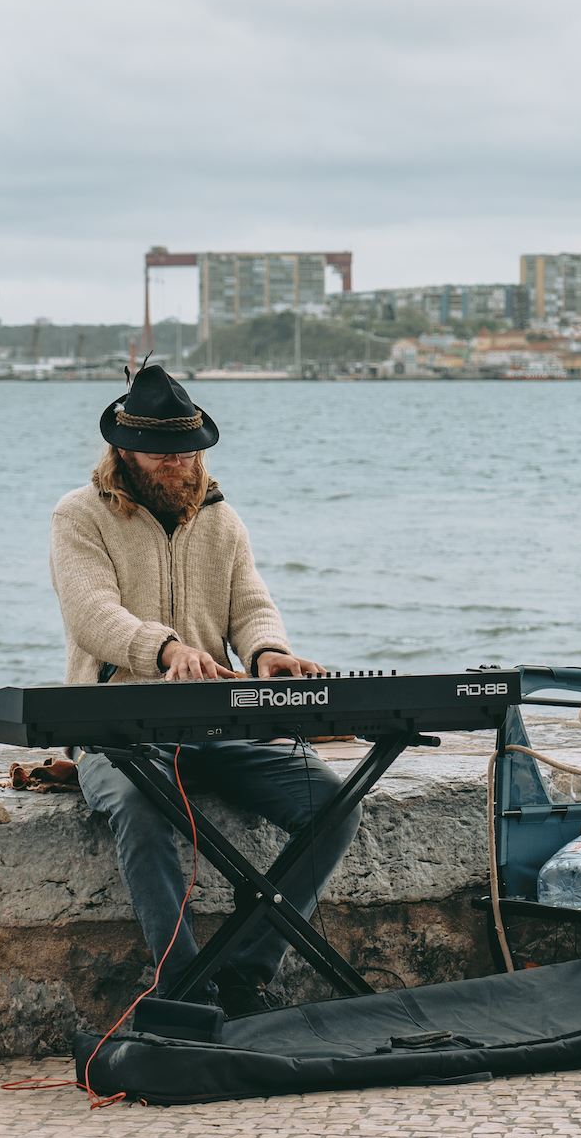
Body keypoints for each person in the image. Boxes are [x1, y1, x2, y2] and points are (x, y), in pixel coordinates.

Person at [48, 365, 358, 1016]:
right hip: (116, 726)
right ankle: (184, 988)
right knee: (138, 802)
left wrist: (268, 651)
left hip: (213, 723)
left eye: (189, 451)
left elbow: (249, 604)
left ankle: (245, 971)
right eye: (163, 453)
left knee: (331, 800)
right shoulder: (79, 515)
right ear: (124, 451)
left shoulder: (222, 519)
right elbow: (91, 613)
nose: (179, 464)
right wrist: (165, 649)